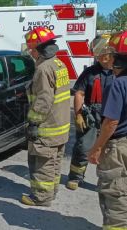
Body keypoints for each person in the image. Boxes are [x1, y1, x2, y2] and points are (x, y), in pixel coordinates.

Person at [21, 27, 71, 206]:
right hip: (61, 125)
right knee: (55, 161)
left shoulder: (43, 68)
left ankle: (41, 197)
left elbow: (43, 100)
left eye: (31, 49)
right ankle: (52, 192)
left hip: (48, 127)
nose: (31, 53)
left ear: (39, 49)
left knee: (43, 163)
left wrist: (33, 122)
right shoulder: (59, 64)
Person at [88, 31, 127, 230]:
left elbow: (111, 122)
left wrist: (96, 148)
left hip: (119, 147)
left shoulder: (118, 84)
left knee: (116, 195)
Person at [66, 35, 115, 190]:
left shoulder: (120, 73)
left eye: (103, 54)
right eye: (98, 55)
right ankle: (75, 177)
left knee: (111, 151)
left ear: (111, 52)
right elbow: (79, 93)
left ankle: (108, 182)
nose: (100, 58)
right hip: (92, 116)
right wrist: (78, 114)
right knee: (83, 146)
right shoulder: (90, 73)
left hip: (113, 117)